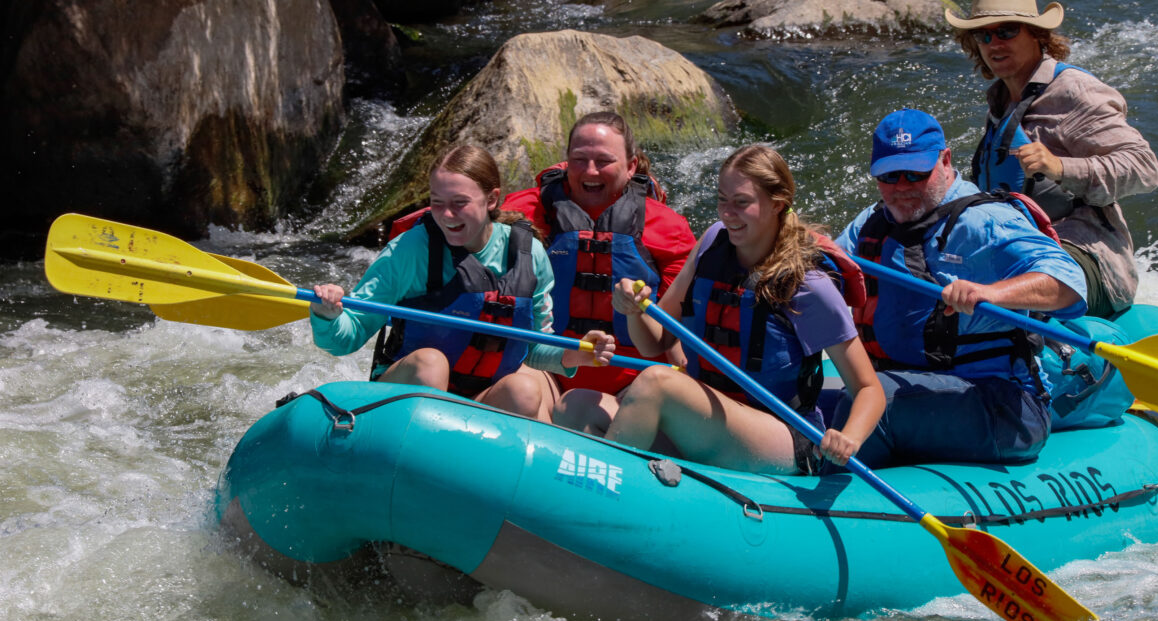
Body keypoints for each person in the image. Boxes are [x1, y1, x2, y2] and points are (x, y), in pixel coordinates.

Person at [598, 144, 886, 475]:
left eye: (741, 203)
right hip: (710, 416)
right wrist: (635, 311)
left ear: (776, 205)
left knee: (656, 383)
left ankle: (610, 485)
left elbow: (868, 388)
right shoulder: (712, 243)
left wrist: (850, 437)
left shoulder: (808, 284)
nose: (726, 213)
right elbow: (654, 342)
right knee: (575, 407)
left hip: (781, 434)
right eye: (722, 200)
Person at [833, 109, 1087, 469]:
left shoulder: (985, 222)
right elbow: (827, 274)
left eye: (915, 173)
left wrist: (993, 293)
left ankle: (823, 500)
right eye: (889, 175)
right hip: (911, 386)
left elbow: (1070, 283)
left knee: (870, 405)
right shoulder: (873, 222)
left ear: (945, 159)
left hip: (1001, 406)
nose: (902, 186)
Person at [309, 144, 615, 422]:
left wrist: (574, 354)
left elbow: (533, 347)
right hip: (405, 392)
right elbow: (344, 340)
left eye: (459, 202)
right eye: (437, 202)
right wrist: (328, 313)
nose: (446, 215)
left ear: (492, 199)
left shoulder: (528, 254)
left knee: (523, 388)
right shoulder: (411, 250)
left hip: (480, 395)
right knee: (431, 364)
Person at [946, 0, 1158, 317]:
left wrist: (1061, 168)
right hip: (1017, 250)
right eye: (983, 35)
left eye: (1007, 31)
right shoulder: (1002, 101)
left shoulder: (1074, 92)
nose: (993, 43)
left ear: (1036, 34)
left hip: (1084, 259)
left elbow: (1144, 168)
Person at [500, 111, 697, 419]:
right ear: (566, 162)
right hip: (548, 367)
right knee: (516, 391)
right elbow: (460, 221)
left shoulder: (669, 228)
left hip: (632, 380)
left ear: (631, 166)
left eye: (604, 161)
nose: (590, 171)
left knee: (578, 412)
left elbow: (678, 327)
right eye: (579, 160)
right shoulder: (522, 212)